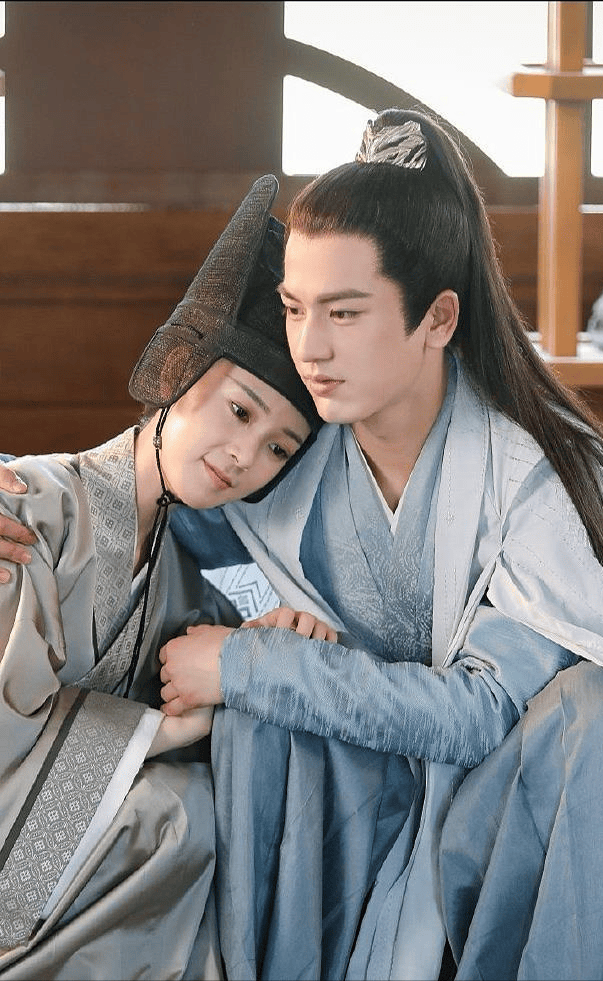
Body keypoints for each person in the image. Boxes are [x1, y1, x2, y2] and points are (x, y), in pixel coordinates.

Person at [2, 110, 603, 981]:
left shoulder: (528, 470)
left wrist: (253, 664)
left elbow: (479, 713)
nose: (310, 348)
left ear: (438, 318)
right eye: (293, 308)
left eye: (344, 312)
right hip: (345, 801)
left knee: (591, 709)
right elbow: (161, 494)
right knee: (213, 768)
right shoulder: (294, 447)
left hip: (496, 807)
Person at [0, 174, 332, 981]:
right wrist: (167, 732)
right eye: (239, 410)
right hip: (19, 856)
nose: (243, 456)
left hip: (87, 857)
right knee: (175, 810)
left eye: (278, 448)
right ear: (181, 370)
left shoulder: (198, 566)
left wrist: (272, 646)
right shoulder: (29, 507)